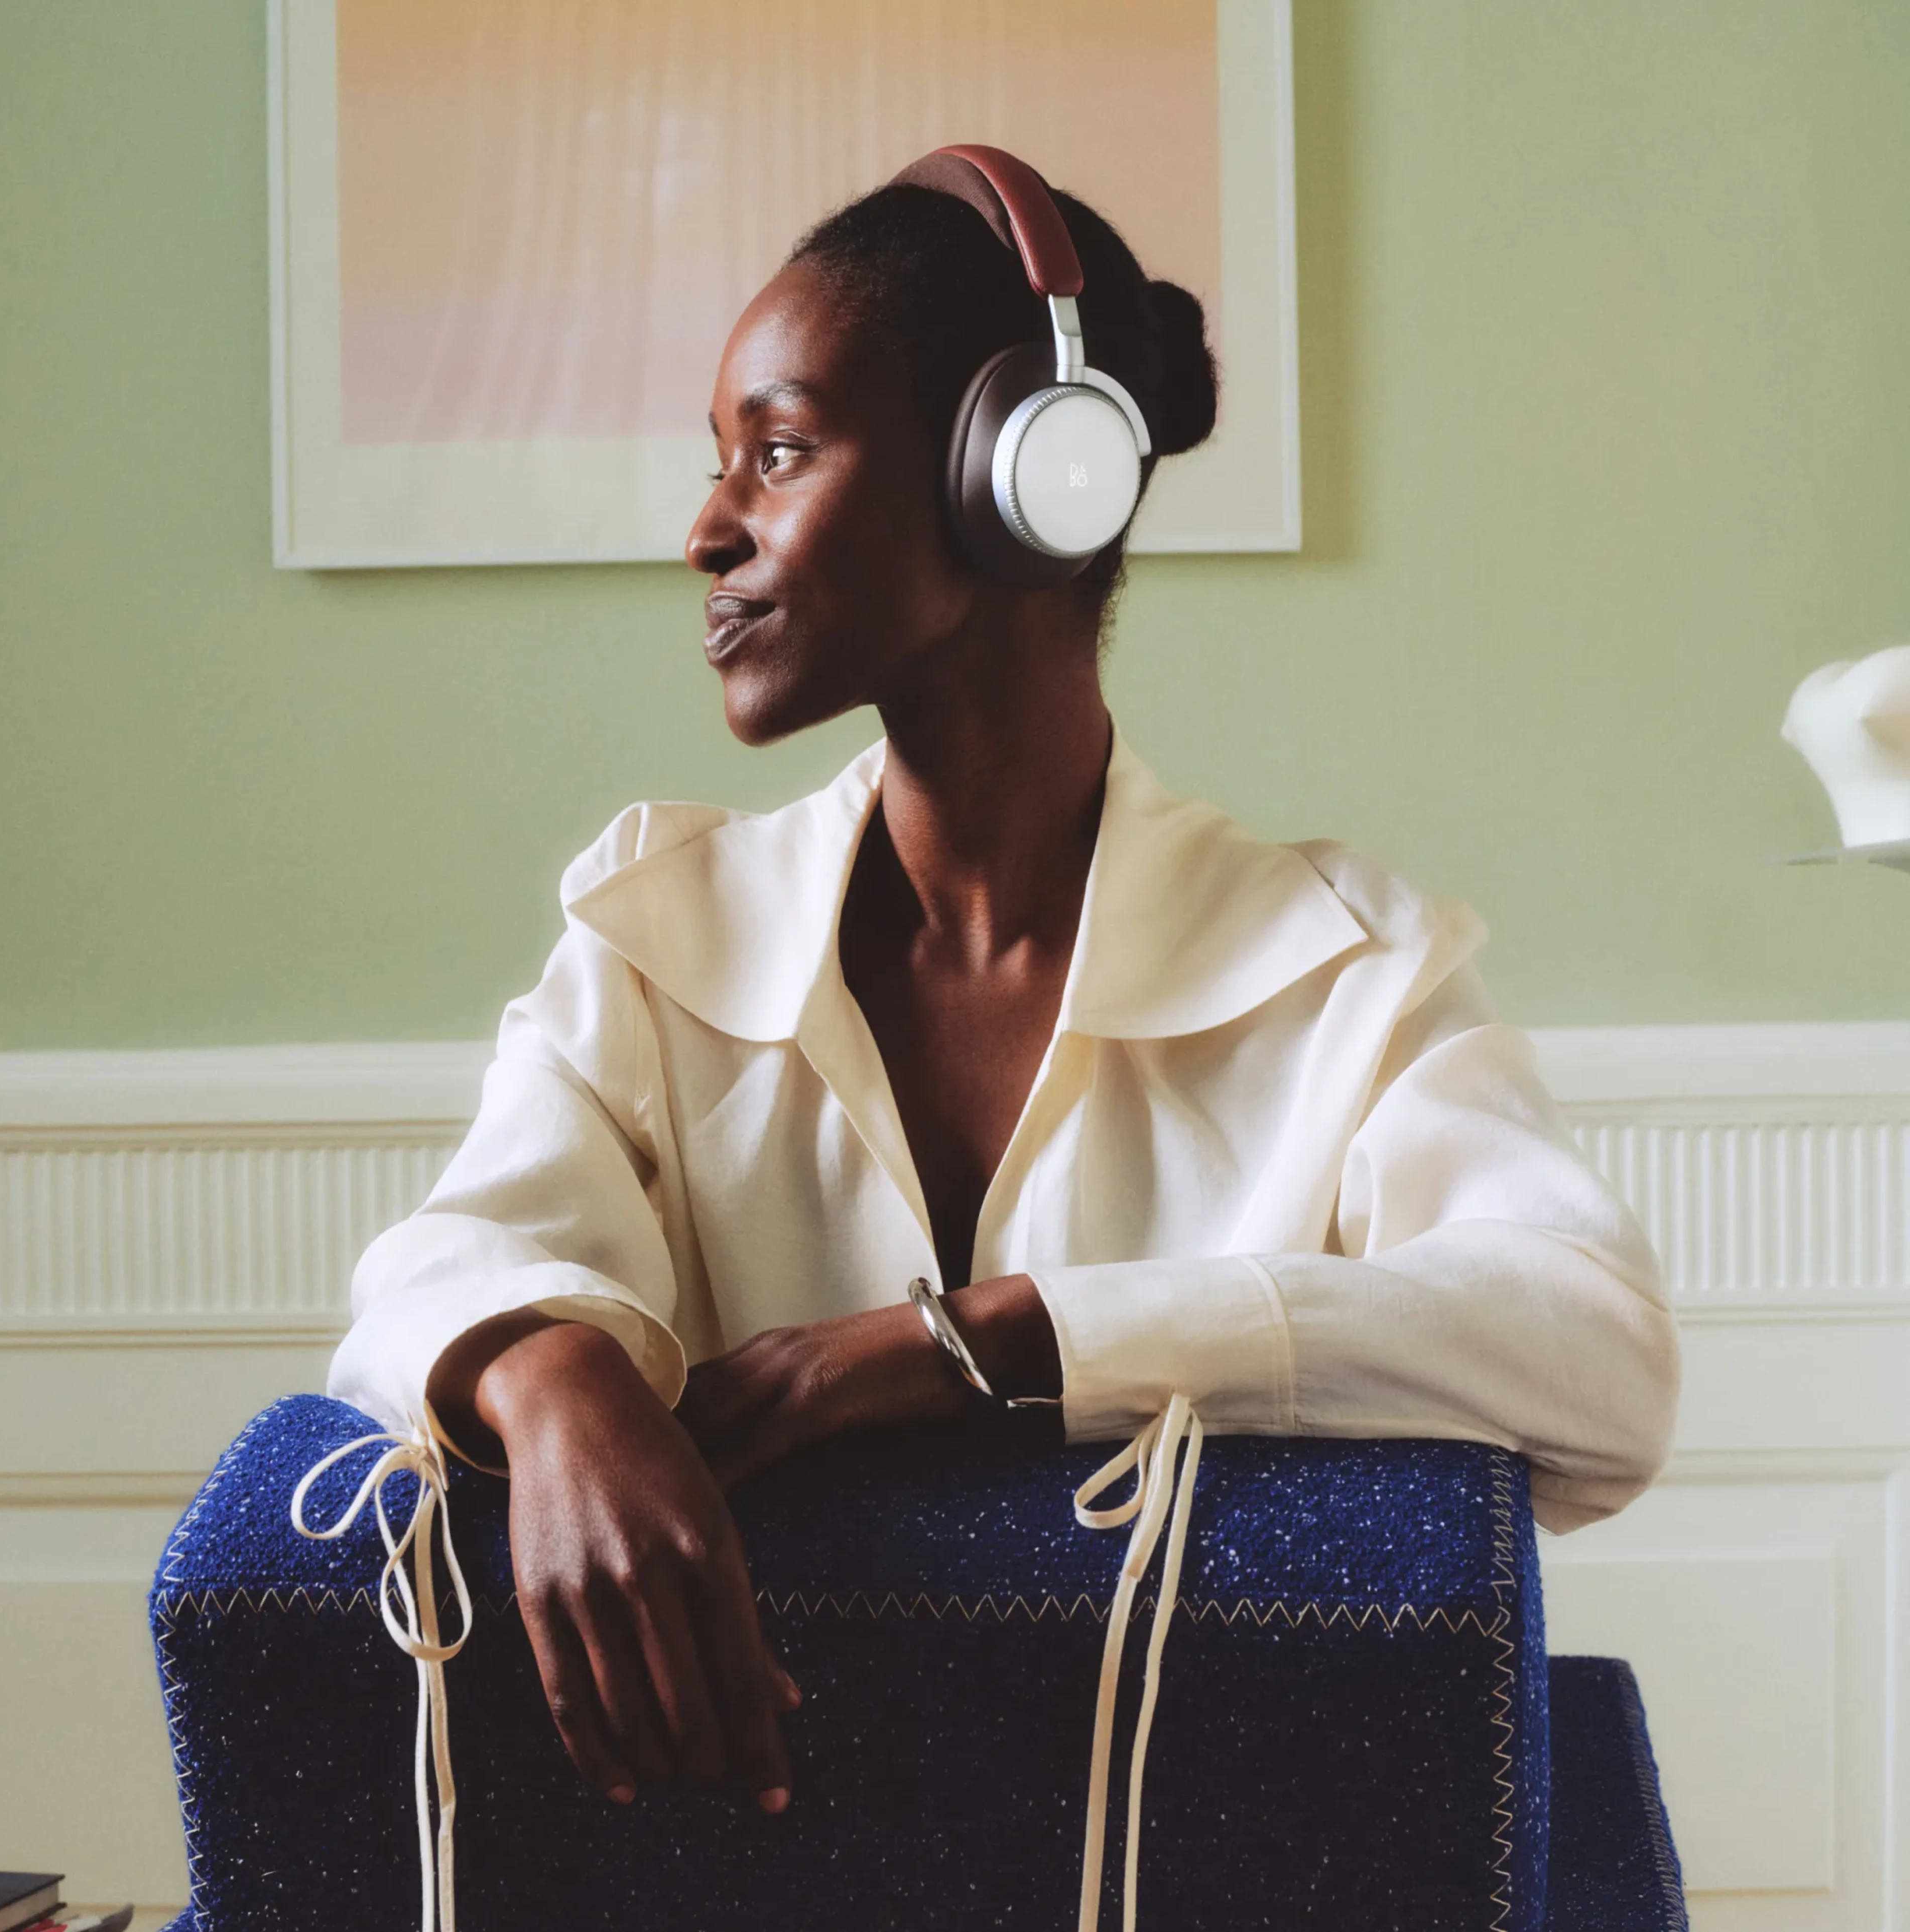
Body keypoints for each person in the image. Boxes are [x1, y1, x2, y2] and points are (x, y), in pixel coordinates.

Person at [327, 151, 1678, 1827]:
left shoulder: (1348, 972)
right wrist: (551, 1383)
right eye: (718, 463)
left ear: (1030, 476)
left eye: (778, 451)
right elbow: (432, 1273)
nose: (706, 529)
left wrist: (982, 1342)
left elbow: (1597, 1361)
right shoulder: (655, 940)